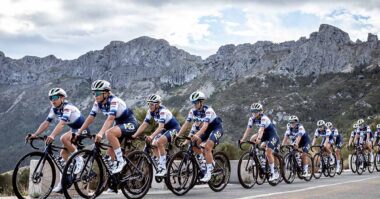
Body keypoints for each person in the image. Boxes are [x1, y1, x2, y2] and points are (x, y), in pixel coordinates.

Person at [26, 88, 86, 192]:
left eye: (55, 98)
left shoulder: (68, 107)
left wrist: (52, 135)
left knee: (63, 138)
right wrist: (35, 134)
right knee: (63, 156)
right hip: (74, 129)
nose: (52, 100)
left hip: (82, 129)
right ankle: (63, 183)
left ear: (62, 98)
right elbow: (46, 122)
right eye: (50, 98)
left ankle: (79, 159)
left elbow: (62, 123)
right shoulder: (54, 109)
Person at [77, 80, 139, 174]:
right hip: (119, 124)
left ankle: (121, 161)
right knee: (109, 156)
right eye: (94, 93)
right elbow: (90, 118)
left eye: (97, 93)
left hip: (130, 122)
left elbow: (110, 119)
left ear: (106, 93)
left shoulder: (114, 101)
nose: (95, 96)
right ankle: (113, 182)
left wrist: (101, 134)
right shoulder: (97, 102)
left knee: (109, 133)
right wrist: (79, 131)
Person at [177, 91, 224, 182]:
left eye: (196, 102)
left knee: (207, 146)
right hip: (205, 131)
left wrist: (196, 135)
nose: (194, 105)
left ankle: (209, 172)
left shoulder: (208, 110)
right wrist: (178, 135)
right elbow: (186, 124)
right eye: (193, 103)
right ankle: (205, 163)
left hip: (216, 129)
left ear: (201, 102)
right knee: (194, 145)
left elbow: (205, 126)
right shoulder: (192, 112)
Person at [132, 94, 181, 177]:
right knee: (153, 144)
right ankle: (162, 162)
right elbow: (144, 124)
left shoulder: (163, 111)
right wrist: (135, 135)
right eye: (148, 104)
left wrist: (151, 136)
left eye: (152, 104)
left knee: (159, 142)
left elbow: (161, 127)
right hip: (165, 129)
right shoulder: (150, 112)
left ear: (157, 104)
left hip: (174, 129)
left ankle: (163, 168)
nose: (150, 106)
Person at [240, 103, 280, 182]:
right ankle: (259, 156)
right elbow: (247, 130)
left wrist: (258, 138)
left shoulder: (264, 118)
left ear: (260, 112)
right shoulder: (251, 119)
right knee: (251, 139)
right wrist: (242, 140)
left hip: (272, 135)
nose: (254, 113)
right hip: (263, 135)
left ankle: (273, 172)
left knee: (268, 152)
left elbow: (261, 130)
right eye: (253, 112)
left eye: (256, 112)